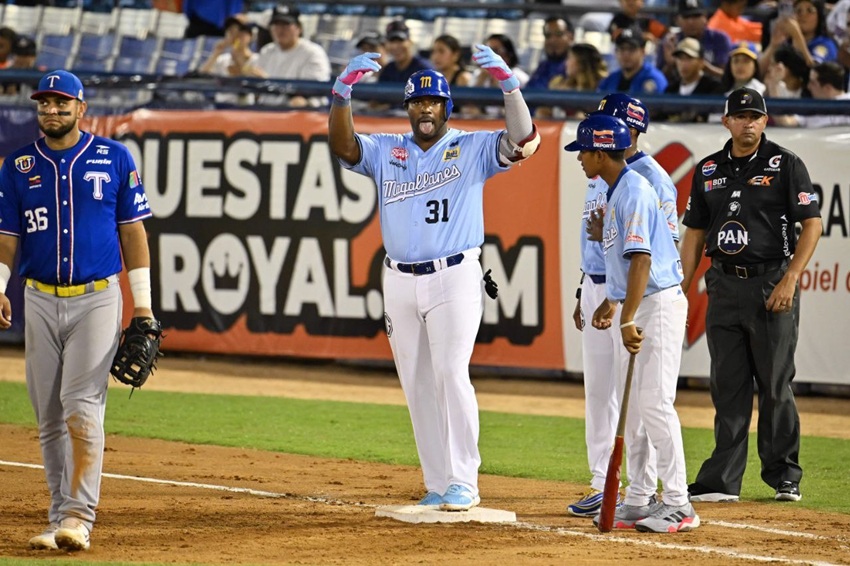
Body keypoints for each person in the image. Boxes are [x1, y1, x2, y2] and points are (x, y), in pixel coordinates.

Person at [328, 47, 540, 511]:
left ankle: (465, 479)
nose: (426, 108)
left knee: (450, 372)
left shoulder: (473, 146)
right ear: (407, 109)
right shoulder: (387, 149)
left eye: (434, 101)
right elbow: (344, 148)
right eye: (417, 102)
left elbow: (523, 138)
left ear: (447, 107)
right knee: (417, 383)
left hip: (454, 275)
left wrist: (509, 85)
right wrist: (342, 93)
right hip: (398, 279)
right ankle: (439, 482)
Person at [0, 70, 156, 551]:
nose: (52, 110)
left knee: (80, 406)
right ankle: (58, 513)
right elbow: (8, 238)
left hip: (97, 297)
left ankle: (77, 516)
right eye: (44, 103)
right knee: (47, 414)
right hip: (40, 299)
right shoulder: (18, 164)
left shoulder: (113, 157)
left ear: (81, 108)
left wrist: (144, 308)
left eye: (61, 102)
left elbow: (133, 232)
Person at [680, 87, 822, 504]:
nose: (749, 123)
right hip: (722, 284)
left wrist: (791, 277)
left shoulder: (786, 165)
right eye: (740, 116)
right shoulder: (707, 169)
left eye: (755, 116)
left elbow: (811, 224)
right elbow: (694, 233)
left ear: (766, 120)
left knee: (775, 383)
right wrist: (681, 289)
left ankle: (784, 475)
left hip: (770, 283)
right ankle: (722, 479)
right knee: (728, 385)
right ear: (726, 121)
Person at [565, 114, 697, 533]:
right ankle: (639, 497)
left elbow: (642, 260)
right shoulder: (617, 189)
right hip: (637, 301)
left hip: (655, 304)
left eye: (583, 151)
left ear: (601, 152)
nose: (580, 159)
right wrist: (611, 302)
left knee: (655, 404)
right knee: (634, 408)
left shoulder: (635, 192)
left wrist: (626, 317)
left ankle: (680, 503)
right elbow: (628, 261)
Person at [244, 5, 330, 107]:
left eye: (286, 24)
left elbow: (311, 92)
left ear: (299, 28)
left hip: (300, 114)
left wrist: (268, 81)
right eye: (276, 25)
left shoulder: (313, 53)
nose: (280, 29)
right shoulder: (267, 51)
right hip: (266, 111)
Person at [657, 0, 732, 80]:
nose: (691, 22)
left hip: (712, 90)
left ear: (705, 18)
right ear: (677, 20)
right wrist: (670, 65)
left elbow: (727, 77)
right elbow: (658, 82)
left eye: (696, 16)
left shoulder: (719, 39)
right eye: (686, 17)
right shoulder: (670, 42)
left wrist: (701, 65)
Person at [759, 0, 837, 73]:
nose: (803, 15)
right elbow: (759, 72)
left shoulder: (826, 44)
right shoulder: (786, 42)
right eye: (798, 11)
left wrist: (797, 35)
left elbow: (814, 71)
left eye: (810, 10)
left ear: (819, 16)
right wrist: (774, 45)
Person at [535, 43, 608, 119]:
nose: (566, 63)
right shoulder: (559, 84)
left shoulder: (602, 86)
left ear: (581, 62)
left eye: (569, 58)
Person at [663, 38, 722, 122]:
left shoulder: (713, 88)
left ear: (701, 62)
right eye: (680, 58)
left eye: (689, 58)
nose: (683, 63)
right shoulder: (671, 89)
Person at [774, 61, 850, 127]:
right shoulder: (811, 108)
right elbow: (785, 122)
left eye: (813, 83)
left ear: (827, 88)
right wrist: (773, 85)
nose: (808, 87)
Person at [597, 27, 668, 96]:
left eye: (631, 49)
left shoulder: (655, 79)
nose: (626, 54)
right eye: (622, 49)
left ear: (643, 51)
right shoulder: (610, 80)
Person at [527, 17, 575, 91]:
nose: (552, 40)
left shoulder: (579, 69)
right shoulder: (542, 68)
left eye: (559, 34)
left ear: (571, 37)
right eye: (547, 35)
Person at [378, 19, 432, 84]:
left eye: (400, 41)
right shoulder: (388, 70)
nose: (395, 46)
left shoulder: (424, 70)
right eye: (392, 41)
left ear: (410, 42)